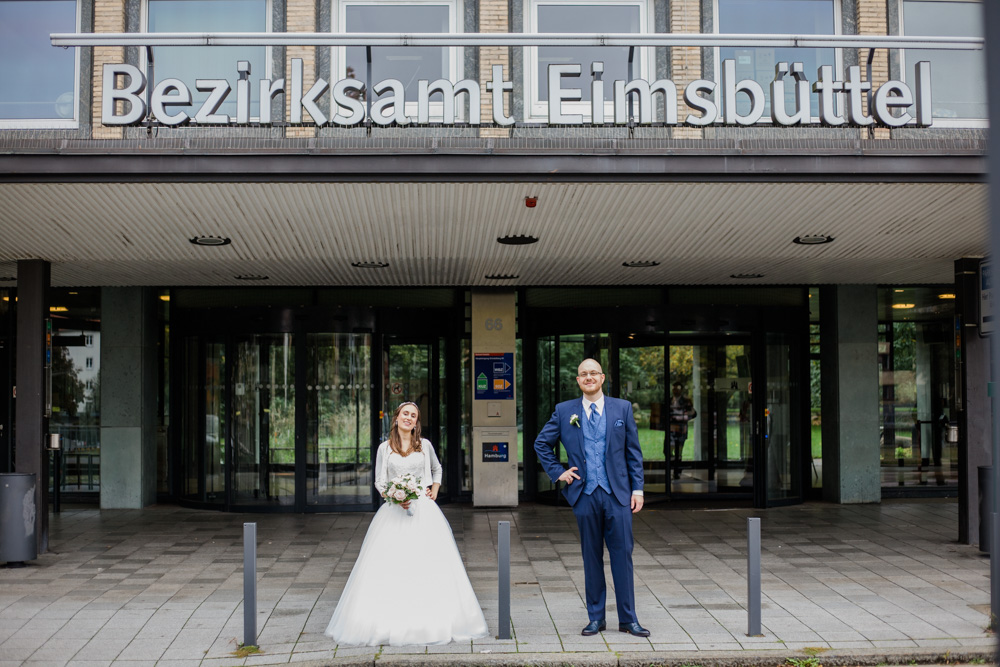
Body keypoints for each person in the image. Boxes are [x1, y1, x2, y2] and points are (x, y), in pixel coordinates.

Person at [325, 402, 488, 646]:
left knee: (428, 561)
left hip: (423, 510)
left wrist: (433, 490)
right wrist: (394, 495)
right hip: (393, 511)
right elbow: (380, 481)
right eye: (405, 414)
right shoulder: (384, 448)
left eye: (413, 415)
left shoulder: (425, 446)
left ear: (416, 422)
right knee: (390, 563)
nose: (409, 418)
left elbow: (437, 469)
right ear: (397, 418)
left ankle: (431, 617)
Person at [533, 358, 649, 638]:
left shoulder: (622, 408)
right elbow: (541, 443)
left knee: (623, 557)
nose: (588, 377)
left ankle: (628, 619)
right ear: (578, 380)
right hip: (584, 495)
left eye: (593, 373)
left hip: (617, 494)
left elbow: (633, 452)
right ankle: (596, 618)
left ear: (602, 377)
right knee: (591, 558)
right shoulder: (564, 411)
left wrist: (638, 489)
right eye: (583, 374)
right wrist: (559, 472)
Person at [668, 381, 697, 479]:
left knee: (679, 451)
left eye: (677, 388)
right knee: (667, 450)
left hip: (681, 429)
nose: (675, 390)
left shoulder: (686, 401)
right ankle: (674, 465)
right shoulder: (669, 400)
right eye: (674, 388)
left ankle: (677, 470)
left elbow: (692, 413)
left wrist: (683, 418)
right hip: (671, 429)